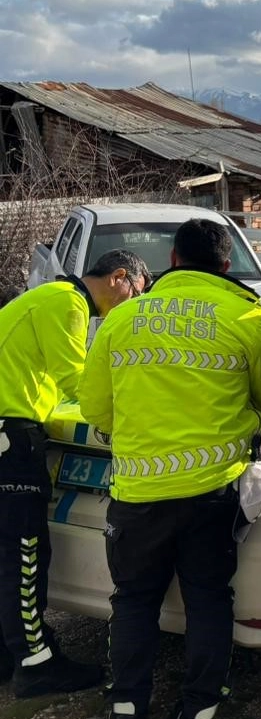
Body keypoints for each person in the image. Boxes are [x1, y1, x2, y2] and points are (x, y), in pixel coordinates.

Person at [80, 220, 261, 719]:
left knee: (132, 600)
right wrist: (257, 425)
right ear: (225, 264)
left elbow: (94, 407)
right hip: (211, 493)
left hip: (136, 493)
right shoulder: (246, 316)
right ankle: (202, 706)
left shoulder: (123, 319)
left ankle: (127, 703)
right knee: (208, 598)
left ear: (172, 259)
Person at [0, 249, 148, 699]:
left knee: (7, 554)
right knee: (24, 555)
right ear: (120, 277)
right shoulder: (67, 303)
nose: (131, 306)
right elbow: (78, 384)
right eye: (136, 294)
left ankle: (10, 655)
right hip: (11, 437)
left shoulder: (47, 297)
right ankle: (36, 664)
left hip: (9, 429)